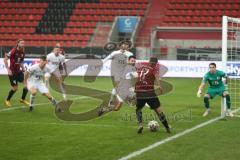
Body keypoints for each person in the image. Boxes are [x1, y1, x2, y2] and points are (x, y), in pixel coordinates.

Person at [135, 57, 170, 134]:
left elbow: (136, 76)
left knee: (138, 109)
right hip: (150, 92)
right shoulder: (154, 68)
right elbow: (157, 77)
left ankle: (140, 125)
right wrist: (160, 86)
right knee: (158, 110)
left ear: (149, 61)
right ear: (155, 63)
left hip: (139, 92)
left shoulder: (141, 67)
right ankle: (167, 127)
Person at [102, 40, 134, 106]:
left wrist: (129, 63)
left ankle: (128, 99)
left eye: (126, 45)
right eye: (123, 44)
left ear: (128, 47)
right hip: (116, 72)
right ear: (120, 45)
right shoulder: (115, 53)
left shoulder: (130, 54)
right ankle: (111, 101)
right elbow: (106, 59)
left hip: (126, 73)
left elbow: (132, 63)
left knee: (130, 87)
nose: (124, 45)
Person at [4, 39, 29, 107]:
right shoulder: (13, 50)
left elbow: (20, 62)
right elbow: (5, 59)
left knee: (26, 84)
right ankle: (7, 100)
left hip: (19, 72)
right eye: (21, 43)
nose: (23, 44)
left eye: (24, 43)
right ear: (18, 43)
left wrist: (23, 69)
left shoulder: (23, 52)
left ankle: (22, 99)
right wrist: (8, 69)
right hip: (13, 73)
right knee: (15, 88)